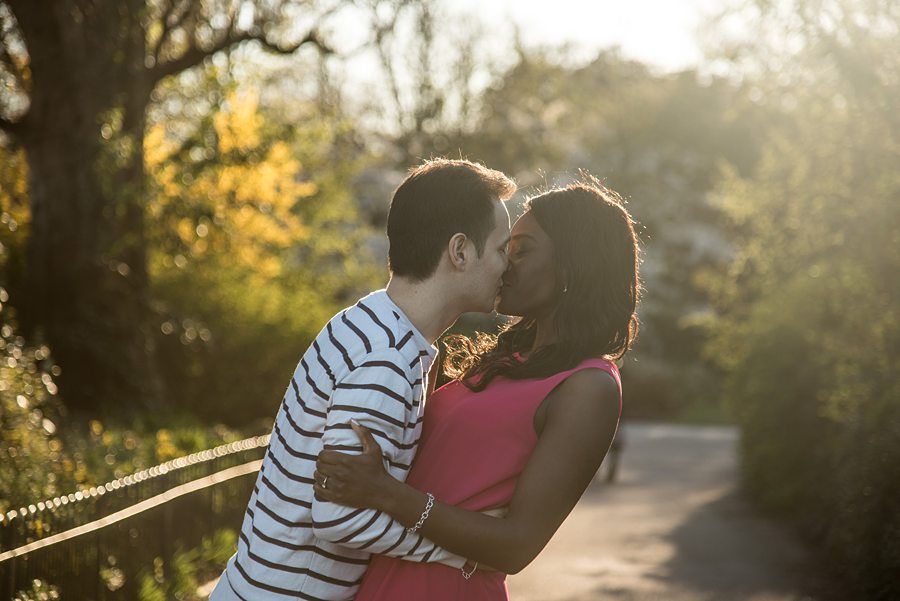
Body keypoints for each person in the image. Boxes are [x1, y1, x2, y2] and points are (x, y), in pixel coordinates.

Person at [314, 179, 641, 600]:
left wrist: (387, 494)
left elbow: (516, 545)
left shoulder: (590, 386)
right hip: (381, 580)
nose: (505, 263)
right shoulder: (506, 360)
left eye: (521, 250)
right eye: (505, 249)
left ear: (573, 266)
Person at [209, 158, 516, 601]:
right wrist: (459, 553)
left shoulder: (371, 325)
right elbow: (338, 518)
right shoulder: (386, 359)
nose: (507, 265)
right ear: (461, 251)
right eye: (502, 248)